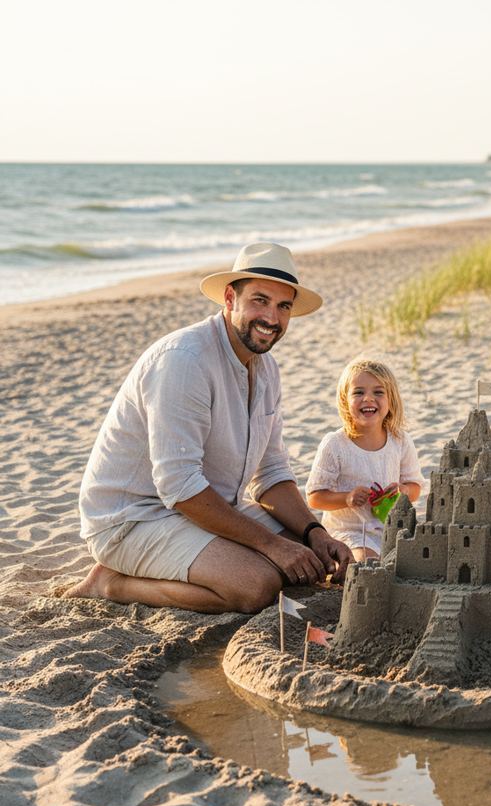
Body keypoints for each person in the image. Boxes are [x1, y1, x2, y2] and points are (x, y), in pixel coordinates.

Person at [65, 242, 353, 614]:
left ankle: (231, 556)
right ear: (230, 298)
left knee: (314, 566)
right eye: (260, 300)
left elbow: (271, 473)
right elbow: (179, 487)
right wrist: (272, 545)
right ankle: (112, 582)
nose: (272, 318)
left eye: (283, 307)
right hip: (134, 518)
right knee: (256, 585)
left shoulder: (266, 369)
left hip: (208, 507)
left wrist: (315, 533)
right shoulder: (184, 360)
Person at [306, 360, 424, 561]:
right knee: (367, 564)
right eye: (358, 392)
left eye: (378, 392)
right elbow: (314, 497)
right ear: (345, 401)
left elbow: (415, 487)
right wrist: (346, 498)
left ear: (391, 400)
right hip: (349, 532)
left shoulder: (400, 440)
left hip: (391, 528)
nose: (368, 398)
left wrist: (403, 491)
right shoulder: (335, 444)